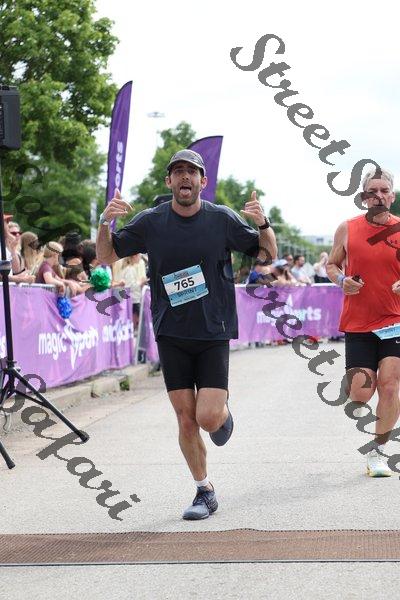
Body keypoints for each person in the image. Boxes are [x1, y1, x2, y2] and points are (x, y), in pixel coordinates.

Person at [96, 148, 277, 520]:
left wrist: (263, 223)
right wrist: (104, 223)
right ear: (169, 181)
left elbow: (266, 255)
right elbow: (106, 256)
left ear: (202, 181)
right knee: (185, 418)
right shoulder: (151, 222)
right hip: (171, 331)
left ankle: (221, 414)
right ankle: (204, 491)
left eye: (191, 172)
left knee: (207, 417)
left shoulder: (221, 218)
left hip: (213, 330)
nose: (184, 177)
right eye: (178, 171)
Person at [326, 167, 400, 477]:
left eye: (384, 191)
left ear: (392, 196)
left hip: (395, 320)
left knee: (390, 385)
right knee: (360, 394)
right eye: (373, 191)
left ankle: (378, 452)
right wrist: (341, 280)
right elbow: (332, 265)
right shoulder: (347, 229)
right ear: (364, 197)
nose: (378, 196)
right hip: (358, 322)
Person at [119, 254, 148, 329]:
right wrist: (140, 282)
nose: (140, 258)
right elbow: (130, 286)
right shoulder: (130, 269)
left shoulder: (130, 268)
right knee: (140, 322)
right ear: (134, 256)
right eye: (139, 256)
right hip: (134, 299)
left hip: (134, 298)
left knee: (137, 323)